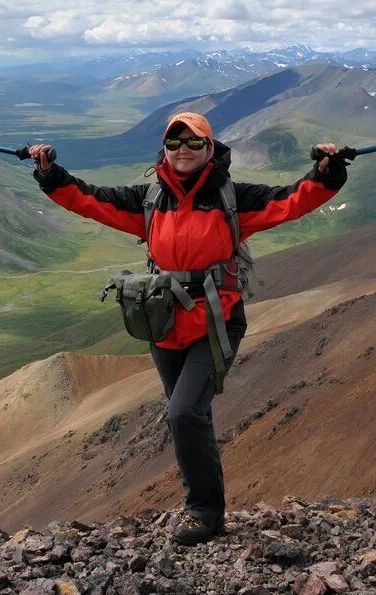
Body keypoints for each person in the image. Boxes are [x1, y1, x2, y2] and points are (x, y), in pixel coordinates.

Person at [29, 112, 346, 545]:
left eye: (194, 143)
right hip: (164, 323)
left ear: (209, 149)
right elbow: (88, 199)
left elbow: (292, 200)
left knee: (183, 414)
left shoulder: (232, 198)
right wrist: (50, 174)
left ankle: (204, 513)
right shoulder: (148, 201)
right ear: (165, 149)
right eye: (174, 143)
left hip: (217, 322)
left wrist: (327, 173)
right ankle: (206, 506)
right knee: (192, 417)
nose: (183, 150)